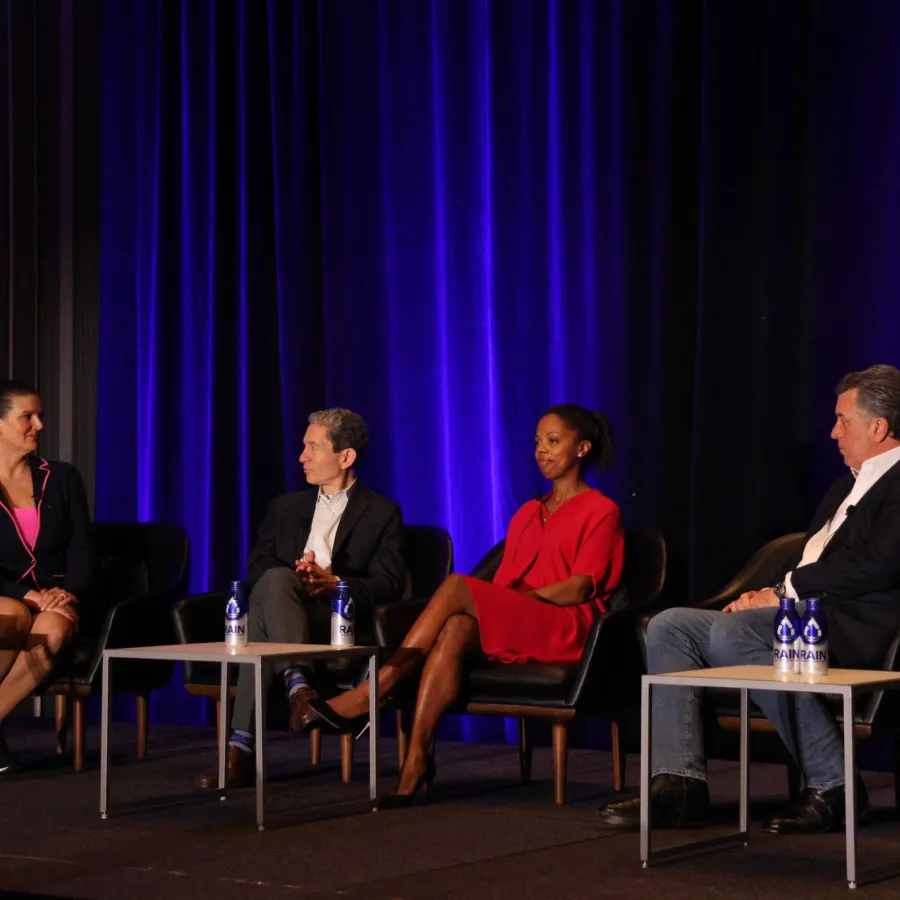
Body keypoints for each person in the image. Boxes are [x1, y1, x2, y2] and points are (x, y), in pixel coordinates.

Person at [600, 364, 900, 835]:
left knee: (734, 632)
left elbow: (877, 565)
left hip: (854, 625)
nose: (832, 431)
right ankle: (679, 784)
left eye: (843, 420)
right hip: (801, 613)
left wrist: (780, 593)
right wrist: (769, 596)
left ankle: (835, 783)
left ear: (878, 426)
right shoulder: (845, 486)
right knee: (670, 625)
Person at [300, 404, 626, 808]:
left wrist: (510, 603)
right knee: (454, 627)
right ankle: (417, 761)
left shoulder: (602, 510)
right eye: (537, 442)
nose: (541, 450)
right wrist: (503, 603)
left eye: (553, 441)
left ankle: (379, 685)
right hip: (518, 618)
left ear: (583, 448)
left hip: (564, 627)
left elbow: (578, 588)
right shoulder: (528, 512)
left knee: (457, 585)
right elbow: (505, 580)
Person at [197, 407, 408, 789]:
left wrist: (335, 583)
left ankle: (240, 751)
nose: (302, 457)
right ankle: (299, 687)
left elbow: (389, 584)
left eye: (313, 447)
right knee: (275, 581)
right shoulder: (285, 507)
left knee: (259, 627)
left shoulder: (382, 513)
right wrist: (298, 578)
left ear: (345, 457)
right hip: (284, 605)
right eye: (303, 447)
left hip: (335, 620)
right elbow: (257, 565)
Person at [0, 380, 91, 771]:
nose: (38, 424)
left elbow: (82, 549)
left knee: (53, 629)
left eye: (40, 416)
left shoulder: (62, 477)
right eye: (27, 417)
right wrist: (27, 595)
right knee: (14, 616)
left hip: (55, 595)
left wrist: (66, 593)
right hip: (7, 596)